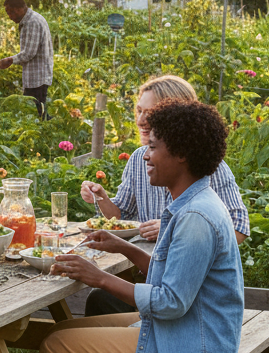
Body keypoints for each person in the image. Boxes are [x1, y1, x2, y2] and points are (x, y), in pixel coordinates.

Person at [31, 99, 244, 353]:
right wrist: (123, 247)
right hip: (187, 332)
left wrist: (98, 278)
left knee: (59, 350)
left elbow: (170, 302)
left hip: (193, 349)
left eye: (155, 146)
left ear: (181, 155)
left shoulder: (196, 216)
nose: (146, 153)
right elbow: (175, 276)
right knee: (64, 331)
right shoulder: (190, 202)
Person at [79, 74, 249, 317]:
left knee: (61, 341)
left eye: (151, 113)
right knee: (99, 302)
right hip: (148, 274)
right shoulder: (139, 159)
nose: (141, 120)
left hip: (187, 297)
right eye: (139, 111)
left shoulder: (206, 176)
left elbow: (239, 228)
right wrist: (101, 198)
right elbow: (122, 216)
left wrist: (172, 229)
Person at [0, 0, 54, 117]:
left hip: (37, 78)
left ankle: (52, 131)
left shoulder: (32, 23)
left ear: (18, 9)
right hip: (36, 76)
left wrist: (9, 60)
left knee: (36, 115)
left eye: (10, 12)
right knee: (37, 113)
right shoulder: (31, 19)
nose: (10, 17)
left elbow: (29, 53)